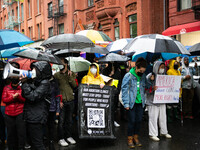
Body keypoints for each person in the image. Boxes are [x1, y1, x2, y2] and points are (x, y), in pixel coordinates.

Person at [20, 61, 52, 150]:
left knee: (38, 143)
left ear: (41, 71)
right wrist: (28, 82)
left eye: (35, 69)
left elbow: (33, 97)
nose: (32, 70)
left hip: (36, 117)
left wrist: (25, 83)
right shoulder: (37, 81)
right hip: (31, 115)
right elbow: (25, 95)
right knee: (33, 143)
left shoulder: (45, 83)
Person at [121, 57, 147, 148]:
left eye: (143, 71)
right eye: (140, 70)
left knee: (139, 121)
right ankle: (130, 139)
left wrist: (151, 80)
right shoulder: (129, 75)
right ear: (136, 67)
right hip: (131, 103)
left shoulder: (143, 76)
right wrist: (126, 103)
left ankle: (136, 137)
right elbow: (124, 90)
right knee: (132, 121)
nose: (142, 72)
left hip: (140, 102)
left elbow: (146, 86)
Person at [146, 61, 172, 142]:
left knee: (163, 117)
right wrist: (151, 83)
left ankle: (164, 132)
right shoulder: (150, 76)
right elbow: (146, 88)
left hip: (162, 100)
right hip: (152, 101)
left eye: (163, 67)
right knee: (153, 118)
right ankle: (152, 134)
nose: (162, 69)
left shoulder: (165, 76)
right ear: (156, 67)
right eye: (161, 67)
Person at [2, 62, 26, 150]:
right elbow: (4, 100)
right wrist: (12, 97)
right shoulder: (6, 88)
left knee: (20, 133)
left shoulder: (22, 87)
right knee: (11, 133)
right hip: (9, 114)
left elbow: (25, 100)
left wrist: (18, 96)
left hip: (20, 113)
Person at [54, 58, 77, 147]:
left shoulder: (72, 74)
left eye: (62, 63)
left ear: (66, 64)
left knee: (69, 120)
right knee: (61, 121)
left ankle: (69, 136)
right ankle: (61, 138)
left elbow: (74, 86)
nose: (61, 64)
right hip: (61, 101)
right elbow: (55, 89)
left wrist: (70, 76)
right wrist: (58, 101)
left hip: (70, 100)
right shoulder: (56, 75)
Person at [102, 62, 121, 127]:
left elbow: (119, 81)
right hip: (107, 92)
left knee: (114, 107)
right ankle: (106, 120)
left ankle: (113, 120)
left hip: (115, 92)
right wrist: (110, 75)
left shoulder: (118, 71)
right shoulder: (105, 71)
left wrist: (117, 90)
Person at [47, 76, 60, 150]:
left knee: (51, 126)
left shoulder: (54, 83)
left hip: (52, 107)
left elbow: (57, 97)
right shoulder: (41, 81)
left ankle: (51, 141)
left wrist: (57, 110)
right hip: (44, 108)